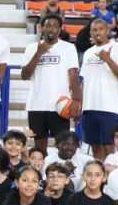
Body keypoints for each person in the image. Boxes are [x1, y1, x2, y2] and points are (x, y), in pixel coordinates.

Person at [21, 13, 81, 154]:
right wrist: (38, 54)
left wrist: (77, 100)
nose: (51, 29)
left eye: (55, 26)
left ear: (60, 29)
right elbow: (24, 75)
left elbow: (73, 75)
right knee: (39, 147)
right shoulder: (31, 48)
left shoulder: (68, 47)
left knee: (63, 145)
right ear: (41, 28)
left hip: (60, 105)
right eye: (48, 25)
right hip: (36, 104)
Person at [79, 19, 118, 163]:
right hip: (89, 107)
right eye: (94, 30)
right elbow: (83, 81)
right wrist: (79, 105)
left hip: (109, 106)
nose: (98, 32)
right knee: (95, 150)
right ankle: (100, 176)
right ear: (90, 33)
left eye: (101, 29)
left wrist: (108, 60)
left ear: (107, 30)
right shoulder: (88, 52)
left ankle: (112, 175)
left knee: (110, 149)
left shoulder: (117, 48)